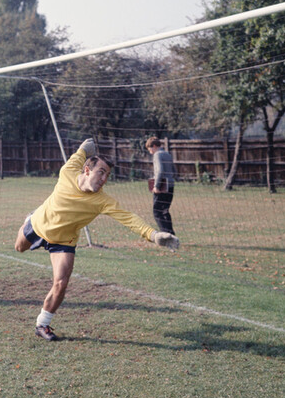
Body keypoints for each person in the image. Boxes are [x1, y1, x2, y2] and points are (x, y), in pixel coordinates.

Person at [14, 138, 179, 341]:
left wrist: (153, 235)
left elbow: (129, 219)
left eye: (107, 176)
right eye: (101, 172)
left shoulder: (102, 201)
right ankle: (28, 218)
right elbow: (80, 153)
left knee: (61, 282)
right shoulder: (68, 171)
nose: (103, 179)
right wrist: (85, 147)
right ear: (86, 171)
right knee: (19, 248)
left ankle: (42, 324)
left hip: (64, 241)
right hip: (38, 225)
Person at [146, 136, 176, 235]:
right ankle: (171, 234)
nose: (149, 151)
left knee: (157, 212)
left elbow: (159, 171)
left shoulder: (157, 155)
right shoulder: (167, 154)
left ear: (154, 146)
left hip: (162, 188)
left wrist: (157, 186)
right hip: (170, 186)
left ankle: (166, 235)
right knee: (165, 211)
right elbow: (174, 170)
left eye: (149, 148)